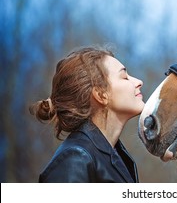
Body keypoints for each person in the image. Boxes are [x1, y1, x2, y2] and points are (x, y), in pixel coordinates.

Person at [29, 46, 144, 182]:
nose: (139, 82)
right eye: (124, 77)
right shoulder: (75, 159)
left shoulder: (117, 156)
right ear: (101, 95)